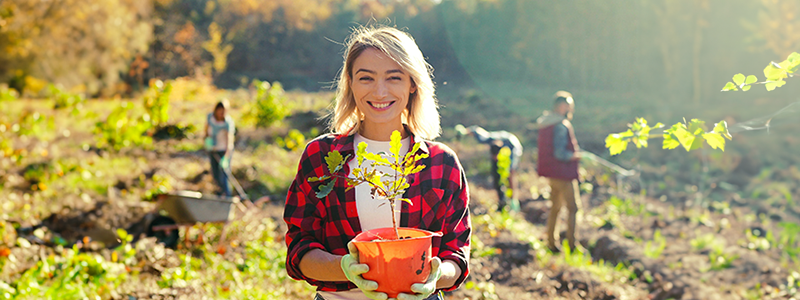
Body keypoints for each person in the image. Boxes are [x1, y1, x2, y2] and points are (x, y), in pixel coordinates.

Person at [283, 26, 471, 300]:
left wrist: (432, 277)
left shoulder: (441, 163)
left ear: (413, 84)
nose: (380, 91)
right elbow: (299, 248)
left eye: (394, 78)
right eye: (366, 78)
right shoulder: (322, 156)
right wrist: (344, 268)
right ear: (351, 83)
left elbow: (456, 253)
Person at [536, 91, 581, 252]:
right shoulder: (560, 125)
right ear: (561, 106)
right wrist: (576, 156)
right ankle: (572, 244)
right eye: (568, 104)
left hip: (552, 174)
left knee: (555, 207)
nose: (570, 108)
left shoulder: (547, 122)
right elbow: (560, 153)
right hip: (564, 174)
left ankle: (551, 242)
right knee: (573, 208)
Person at [456, 125, 522, 212]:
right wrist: (466, 131)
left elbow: (511, 173)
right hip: (501, 148)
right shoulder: (487, 139)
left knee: (509, 173)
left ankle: (513, 200)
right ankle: (502, 201)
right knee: (497, 176)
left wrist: (514, 197)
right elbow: (476, 130)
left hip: (513, 147)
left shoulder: (512, 150)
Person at [204, 100, 235, 198]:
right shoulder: (210, 118)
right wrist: (207, 141)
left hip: (223, 151)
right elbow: (206, 131)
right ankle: (219, 195)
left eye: (223, 111)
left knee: (224, 175)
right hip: (213, 149)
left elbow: (229, 141)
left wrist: (226, 157)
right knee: (215, 175)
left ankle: (227, 196)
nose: (221, 113)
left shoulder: (227, 123)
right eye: (220, 110)